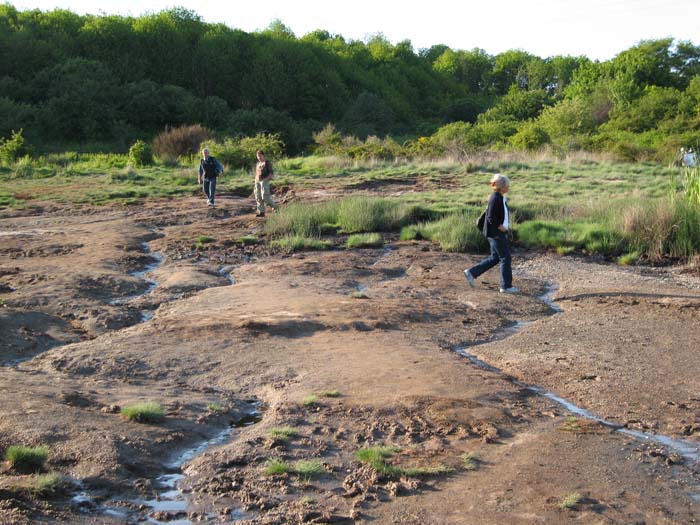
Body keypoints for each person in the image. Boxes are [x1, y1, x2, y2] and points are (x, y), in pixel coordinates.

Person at [464, 174, 519, 294]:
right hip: (496, 233)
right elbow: (490, 218)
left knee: (495, 258)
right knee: (505, 257)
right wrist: (502, 228)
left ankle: (471, 273)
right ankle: (506, 286)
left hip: (494, 233)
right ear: (502, 187)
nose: (508, 187)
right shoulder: (495, 198)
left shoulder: (499, 196)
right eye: (507, 185)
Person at [254, 150, 278, 217]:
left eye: (260, 155)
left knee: (265, 197)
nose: (259, 157)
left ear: (263, 155)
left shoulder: (267, 163)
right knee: (258, 196)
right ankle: (261, 212)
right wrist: (256, 180)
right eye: (257, 156)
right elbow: (257, 173)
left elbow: (271, 173)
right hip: (257, 181)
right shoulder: (258, 164)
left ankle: (276, 207)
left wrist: (266, 179)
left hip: (264, 180)